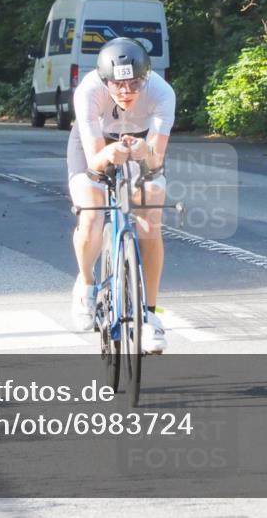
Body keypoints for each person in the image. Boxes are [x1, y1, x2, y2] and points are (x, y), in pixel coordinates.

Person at [67, 37, 174, 353]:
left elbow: (156, 159)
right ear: (104, 81)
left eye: (134, 84)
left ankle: (150, 316)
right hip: (96, 144)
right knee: (91, 212)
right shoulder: (87, 91)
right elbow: (95, 162)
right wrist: (109, 156)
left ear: (146, 77)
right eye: (118, 85)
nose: (126, 92)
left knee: (150, 218)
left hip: (141, 142)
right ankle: (86, 284)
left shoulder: (162, 92)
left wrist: (145, 152)